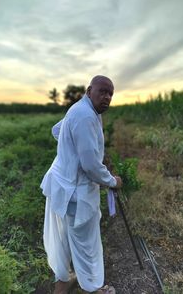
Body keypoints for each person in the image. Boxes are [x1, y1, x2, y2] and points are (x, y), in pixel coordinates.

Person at [40, 75, 122, 294]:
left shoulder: (81, 109)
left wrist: (70, 150)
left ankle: (63, 281)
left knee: (68, 236)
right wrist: (112, 181)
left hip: (63, 185)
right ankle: (95, 288)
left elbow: (57, 131)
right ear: (89, 90)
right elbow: (90, 166)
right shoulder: (85, 115)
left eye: (110, 94)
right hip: (74, 192)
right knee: (87, 244)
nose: (107, 97)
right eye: (103, 91)